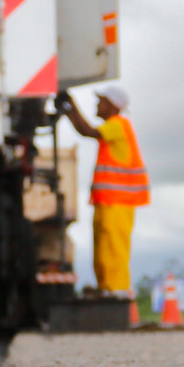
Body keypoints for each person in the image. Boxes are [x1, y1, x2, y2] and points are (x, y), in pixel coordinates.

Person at [56, 83, 148, 298]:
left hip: (119, 199)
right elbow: (85, 130)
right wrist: (69, 108)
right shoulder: (114, 127)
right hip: (107, 199)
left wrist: (70, 106)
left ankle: (117, 288)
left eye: (101, 101)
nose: (97, 104)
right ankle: (106, 287)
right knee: (103, 246)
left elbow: (86, 130)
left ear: (112, 106)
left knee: (114, 244)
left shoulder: (118, 125)